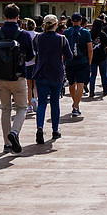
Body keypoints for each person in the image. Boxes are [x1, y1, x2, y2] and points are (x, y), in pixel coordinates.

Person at [0, 3, 34, 154]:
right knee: (22, 108)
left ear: (4, 16)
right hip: (19, 77)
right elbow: (31, 55)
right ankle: (14, 132)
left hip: (0, 77)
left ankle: (7, 143)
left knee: (5, 109)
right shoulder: (25, 35)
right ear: (18, 17)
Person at [33, 15, 68, 143]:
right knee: (55, 103)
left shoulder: (38, 38)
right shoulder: (62, 39)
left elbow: (35, 51)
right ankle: (55, 130)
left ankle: (40, 128)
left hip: (41, 73)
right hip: (56, 74)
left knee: (42, 103)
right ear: (56, 24)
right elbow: (69, 56)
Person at [63, 13, 93, 117]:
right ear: (81, 21)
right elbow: (90, 49)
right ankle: (76, 107)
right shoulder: (85, 32)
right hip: (83, 61)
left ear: (71, 21)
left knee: (72, 84)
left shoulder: (66, 32)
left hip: (70, 62)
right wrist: (89, 62)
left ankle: (75, 102)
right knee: (81, 84)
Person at [22, 18, 38, 113]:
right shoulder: (38, 36)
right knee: (35, 84)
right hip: (36, 62)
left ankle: (29, 105)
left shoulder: (24, 35)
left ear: (26, 27)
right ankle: (35, 99)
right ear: (35, 26)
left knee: (28, 85)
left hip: (26, 62)